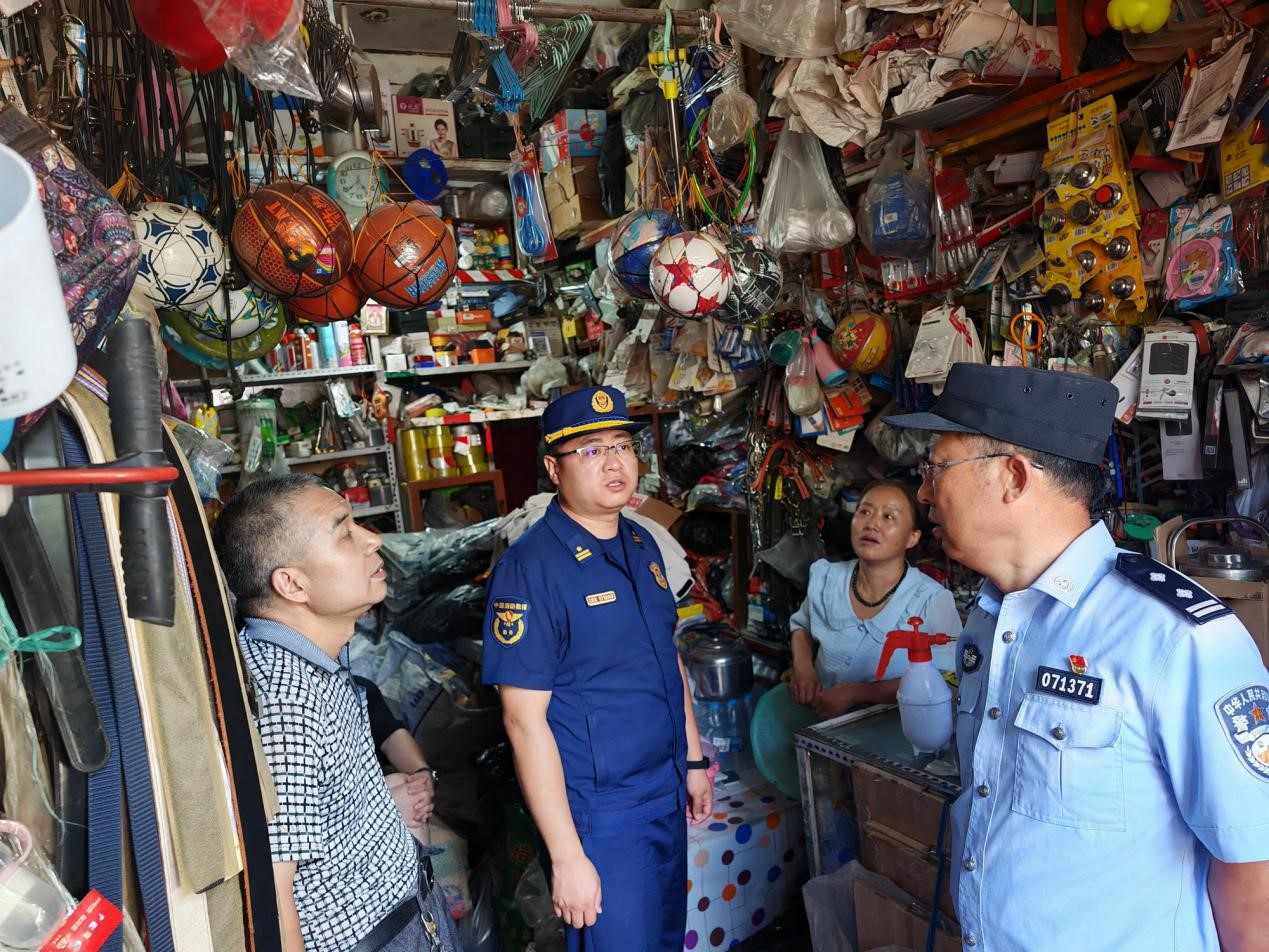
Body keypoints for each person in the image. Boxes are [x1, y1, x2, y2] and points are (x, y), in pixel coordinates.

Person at [883, 363, 1269, 952]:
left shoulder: (1173, 638)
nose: (923, 492)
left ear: (1012, 476)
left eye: (935, 468)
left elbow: (1252, 867)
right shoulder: (988, 621)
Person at [482, 386, 713, 952]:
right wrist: (566, 856)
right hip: (600, 811)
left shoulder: (643, 542)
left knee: (662, 940)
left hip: (661, 787)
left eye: (622, 446)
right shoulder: (530, 568)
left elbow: (667, 658)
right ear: (552, 470)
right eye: (589, 451)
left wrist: (692, 758)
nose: (614, 462)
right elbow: (522, 722)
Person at [213, 474, 461, 952]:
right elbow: (273, 883)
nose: (373, 540)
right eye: (345, 532)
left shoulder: (317, 661)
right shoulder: (285, 699)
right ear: (292, 583)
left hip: (407, 917)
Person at [788, 480, 961, 720]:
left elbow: (948, 677)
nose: (871, 523)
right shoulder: (828, 578)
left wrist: (857, 694)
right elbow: (802, 625)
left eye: (889, 517)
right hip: (820, 724)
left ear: (912, 537)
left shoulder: (931, 600)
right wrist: (803, 667)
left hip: (897, 733)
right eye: (864, 512)